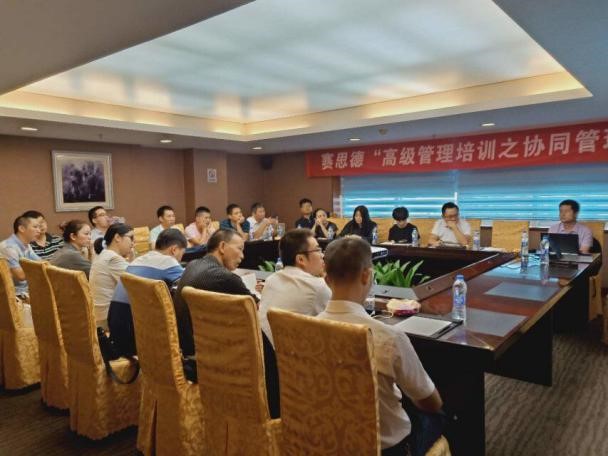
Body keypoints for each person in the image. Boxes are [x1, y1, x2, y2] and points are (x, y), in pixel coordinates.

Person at [317, 237, 444, 456]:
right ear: (367, 275)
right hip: (385, 448)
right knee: (440, 415)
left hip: (327, 438)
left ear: (326, 279)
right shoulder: (388, 337)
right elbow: (430, 402)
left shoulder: (307, 327)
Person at [173, 229, 256, 356]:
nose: (242, 256)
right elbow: (254, 307)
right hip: (208, 353)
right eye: (239, 249)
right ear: (222, 247)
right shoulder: (225, 277)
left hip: (184, 347)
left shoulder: (192, 264)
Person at [109, 229, 187, 357]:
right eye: (182, 253)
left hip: (117, 327)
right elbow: (189, 282)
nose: (180, 258)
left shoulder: (137, 260)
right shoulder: (168, 262)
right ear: (174, 249)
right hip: (136, 334)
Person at [259, 228, 331, 346]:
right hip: (294, 355)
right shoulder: (317, 287)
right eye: (318, 250)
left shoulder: (271, 280)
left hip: (266, 353)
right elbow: (336, 326)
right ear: (301, 259)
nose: (322, 255)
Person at [90, 224, 134, 327]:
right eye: (131, 238)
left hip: (101, 315)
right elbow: (137, 283)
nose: (133, 243)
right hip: (108, 318)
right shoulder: (113, 258)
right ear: (117, 237)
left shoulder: (103, 254)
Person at [0, 213, 41, 298]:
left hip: (29, 289)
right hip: (15, 294)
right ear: (21, 228)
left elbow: (41, 262)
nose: (39, 231)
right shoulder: (9, 247)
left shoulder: (27, 245)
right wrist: (39, 270)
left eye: (39, 227)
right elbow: (20, 276)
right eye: (35, 227)